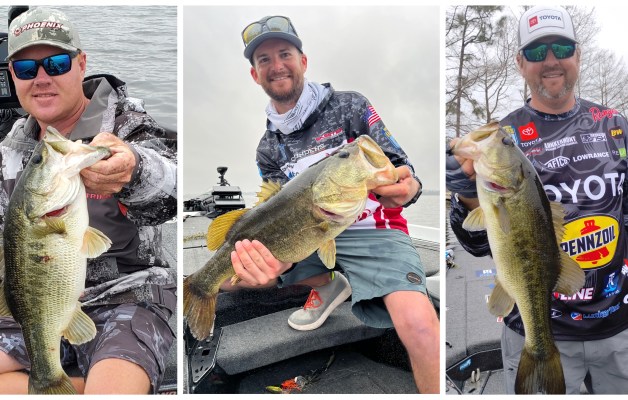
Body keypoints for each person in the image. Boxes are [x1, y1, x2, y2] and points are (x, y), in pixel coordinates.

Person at [218, 15, 439, 393]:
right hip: (311, 231)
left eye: (285, 54)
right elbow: (275, 209)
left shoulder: (350, 106)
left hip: (373, 230)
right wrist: (272, 263)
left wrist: (410, 186)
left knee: (420, 326)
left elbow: (401, 167)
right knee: (232, 277)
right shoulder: (267, 148)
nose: (276, 65)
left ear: (303, 61)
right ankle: (328, 283)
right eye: (264, 59)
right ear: (255, 75)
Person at [447, 5, 628, 394]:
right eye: (535, 51)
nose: (550, 61)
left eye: (561, 48)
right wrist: (466, 194)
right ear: (520, 62)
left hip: (618, 326)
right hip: (532, 326)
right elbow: (477, 244)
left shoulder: (616, 126)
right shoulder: (504, 135)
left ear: (578, 55)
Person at [0, 7, 177, 394]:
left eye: (56, 64)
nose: (41, 79)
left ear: (81, 64)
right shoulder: (11, 147)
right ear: (13, 76)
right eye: (26, 69)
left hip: (128, 293)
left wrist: (135, 169)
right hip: (35, 305)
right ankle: (61, 384)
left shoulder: (129, 124)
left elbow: (173, 186)